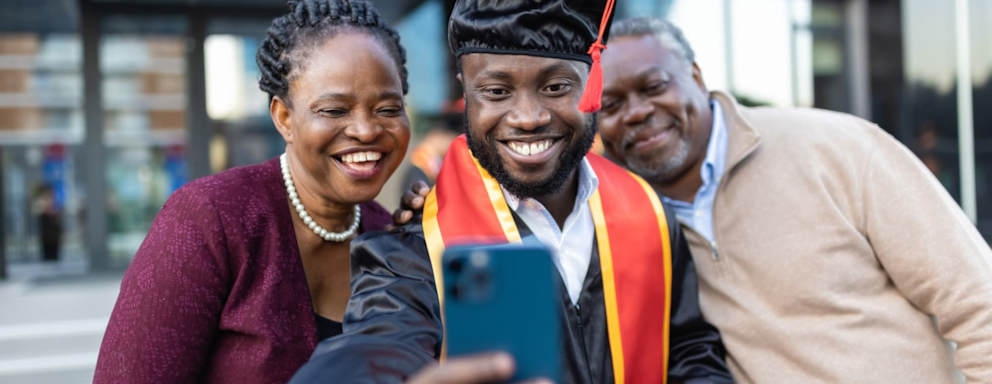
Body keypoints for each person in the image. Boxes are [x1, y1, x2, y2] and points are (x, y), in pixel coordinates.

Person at [291, 1, 733, 383]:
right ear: (467, 97)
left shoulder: (649, 215)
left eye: (556, 87)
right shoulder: (413, 249)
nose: (527, 117)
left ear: (590, 86)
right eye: (497, 91)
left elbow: (690, 350)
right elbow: (376, 347)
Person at [596, 18, 992, 383]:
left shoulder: (837, 148)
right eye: (611, 105)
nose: (637, 112)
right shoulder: (622, 226)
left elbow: (979, 303)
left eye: (654, 87)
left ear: (697, 78)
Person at [93, 0, 409, 382]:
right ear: (284, 117)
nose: (366, 130)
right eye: (335, 110)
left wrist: (434, 235)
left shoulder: (390, 237)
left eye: (388, 109)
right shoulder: (210, 220)